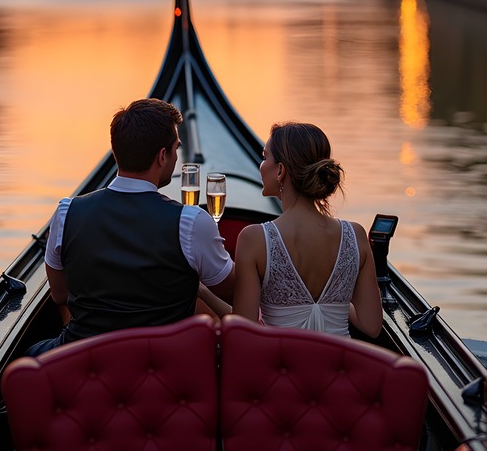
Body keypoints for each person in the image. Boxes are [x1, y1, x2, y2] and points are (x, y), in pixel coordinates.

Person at [27, 98, 235, 355]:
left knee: (29, 355)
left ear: (117, 151)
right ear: (162, 156)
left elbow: (60, 295)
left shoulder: (67, 212)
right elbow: (235, 293)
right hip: (163, 365)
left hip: (84, 357)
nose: (176, 156)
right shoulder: (191, 222)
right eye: (176, 149)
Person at [228, 122, 382, 337]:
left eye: (265, 157)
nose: (261, 165)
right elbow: (372, 326)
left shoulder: (254, 239)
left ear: (280, 170)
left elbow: (242, 333)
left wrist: (204, 294)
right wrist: (338, 300)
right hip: (339, 368)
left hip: (280, 369)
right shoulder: (355, 235)